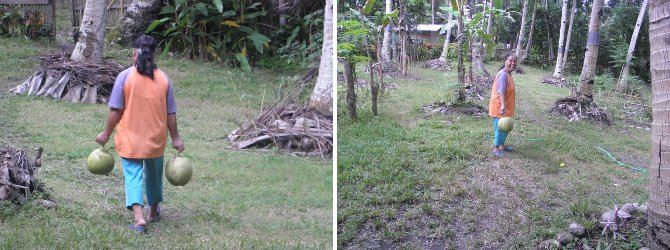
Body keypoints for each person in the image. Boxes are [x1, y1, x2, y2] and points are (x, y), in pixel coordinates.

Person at [94, 35, 185, 233]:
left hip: (130, 140)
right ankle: (153, 212)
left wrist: (106, 134)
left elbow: (115, 111)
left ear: (134, 53)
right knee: (154, 176)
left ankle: (139, 218)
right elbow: (171, 113)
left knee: (133, 177)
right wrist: (176, 137)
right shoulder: (164, 78)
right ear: (154, 55)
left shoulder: (125, 76)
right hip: (155, 140)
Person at [489, 53, 517, 157]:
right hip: (500, 107)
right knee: (499, 129)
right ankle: (496, 149)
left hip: (506, 106)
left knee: (505, 128)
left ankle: (502, 146)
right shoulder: (503, 75)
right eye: (510, 61)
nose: (513, 63)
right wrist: (502, 106)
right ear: (505, 61)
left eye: (514, 61)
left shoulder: (508, 73)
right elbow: (500, 91)